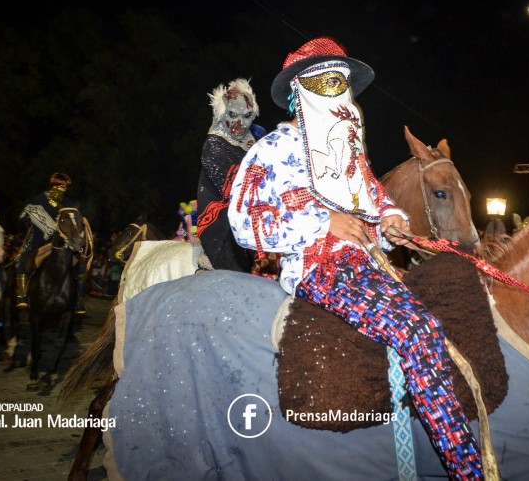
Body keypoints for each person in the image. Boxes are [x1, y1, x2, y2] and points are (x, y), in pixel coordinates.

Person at [227, 37, 483, 480]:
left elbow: (380, 202)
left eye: (343, 85)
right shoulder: (270, 150)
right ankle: (468, 470)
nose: (341, 95)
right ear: (301, 91)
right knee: (416, 328)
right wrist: (322, 223)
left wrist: (391, 223)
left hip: (369, 264)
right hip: (320, 267)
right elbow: (244, 222)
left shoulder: (352, 159)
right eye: (329, 84)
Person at [196, 77, 266, 272]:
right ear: (222, 113)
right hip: (224, 221)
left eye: (247, 116)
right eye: (233, 115)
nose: (240, 124)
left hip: (254, 212)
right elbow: (237, 190)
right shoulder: (214, 145)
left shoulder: (257, 139)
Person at [14, 172, 88, 314]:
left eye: (64, 186)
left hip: (61, 243)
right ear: (52, 184)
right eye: (59, 185)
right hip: (38, 241)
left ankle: (78, 299)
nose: (62, 188)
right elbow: (24, 217)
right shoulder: (38, 200)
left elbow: (75, 222)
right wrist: (32, 222)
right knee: (23, 261)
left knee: (81, 265)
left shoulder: (68, 204)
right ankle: (21, 296)